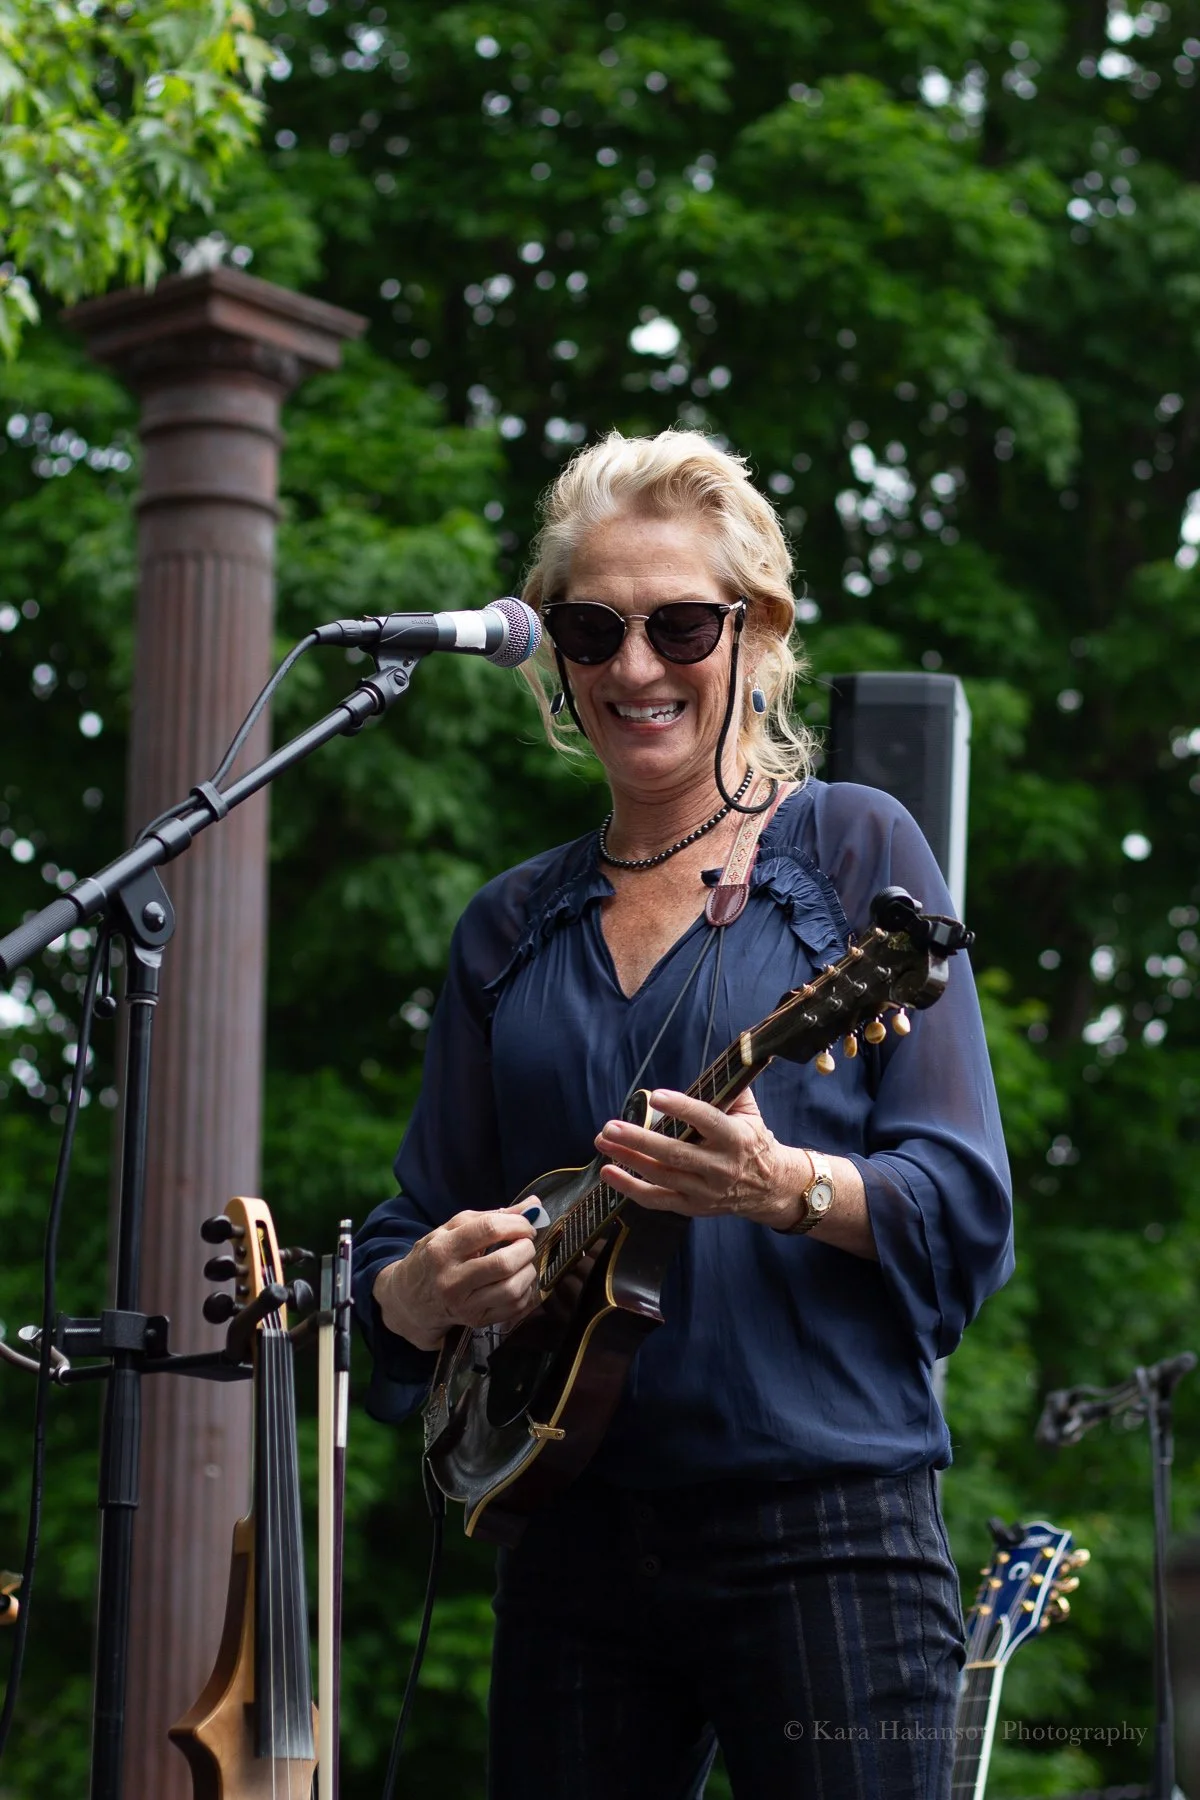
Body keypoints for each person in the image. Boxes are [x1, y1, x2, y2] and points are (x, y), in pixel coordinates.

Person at [353, 429, 1013, 1800]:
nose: (637, 665)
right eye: (592, 628)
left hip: (826, 1527)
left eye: (682, 624)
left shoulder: (852, 851)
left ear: (757, 632)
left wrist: (786, 1188)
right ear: (554, 657)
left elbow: (964, 1208)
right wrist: (420, 1291)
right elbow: (401, 1245)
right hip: (568, 1536)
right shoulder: (507, 928)